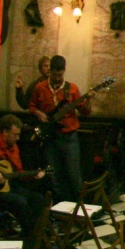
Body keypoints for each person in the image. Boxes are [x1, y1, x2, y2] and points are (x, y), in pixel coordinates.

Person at [0, 114, 49, 247]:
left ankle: (35, 235)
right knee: (20, 202)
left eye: (19, 135)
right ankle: (31, 240)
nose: (18, 138)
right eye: (15, 135)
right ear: (5, 132)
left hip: (7, 187)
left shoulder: (14, 147)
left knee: (38, 199)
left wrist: (33, 175)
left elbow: (18, 173)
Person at [28, 55, 90, 201]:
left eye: (60, 75)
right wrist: (38, 113)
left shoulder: (72, 89)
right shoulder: (40, 87)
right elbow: (31, 105)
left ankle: (79, 207)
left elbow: (85, 112)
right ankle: (59, 207)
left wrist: (89, 100)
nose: (57, 78)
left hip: (69, 137)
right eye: (54, 74)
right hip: (50, 138)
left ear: (64, 71)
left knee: (74, 176)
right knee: (54, 177)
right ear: (50, 71)